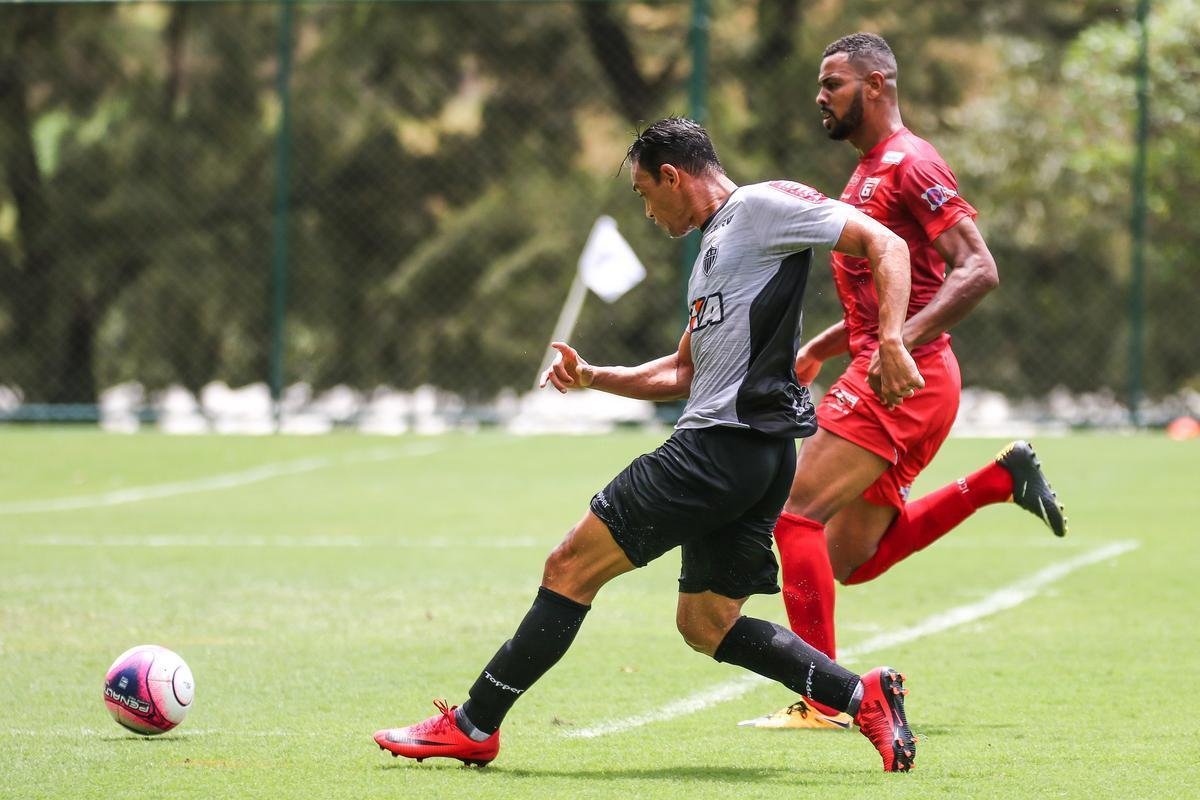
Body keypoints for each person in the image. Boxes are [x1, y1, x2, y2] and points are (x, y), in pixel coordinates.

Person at [373, 116, 925, 772]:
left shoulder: (760, 207)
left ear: (672, 175)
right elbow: (682, 372)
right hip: (755, 457)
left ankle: (473, 723)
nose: (646, 210)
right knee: (706, 624)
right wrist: (594, 377)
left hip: (717, 450)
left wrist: (891, 340)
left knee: (569, 566)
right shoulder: (714, 249)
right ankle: (862, 696)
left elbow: (886, 243)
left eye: (644, 193)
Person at [742, 33, 1067, 731]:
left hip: (903, 379)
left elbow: (977, 268)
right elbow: (887, 300)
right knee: (848, 559)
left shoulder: (911, 163)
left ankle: (825, 699)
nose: (820, 97)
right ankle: (997, 481)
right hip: (910, 376)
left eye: (833, 84)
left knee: (795, 515)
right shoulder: (867, 172)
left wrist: (896, 343)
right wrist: (825, 347)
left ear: (877, 85)